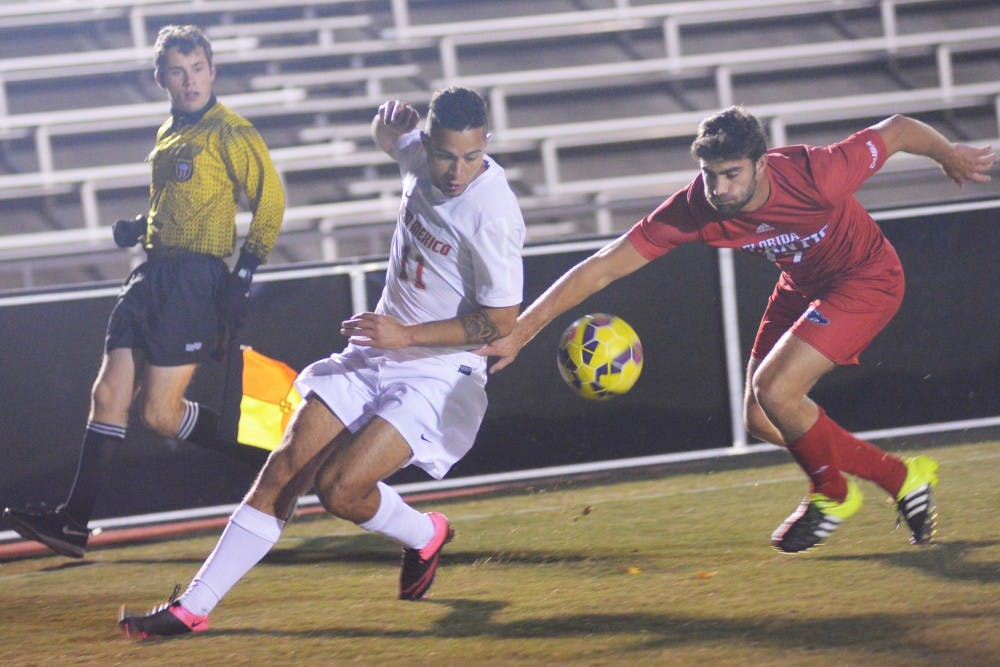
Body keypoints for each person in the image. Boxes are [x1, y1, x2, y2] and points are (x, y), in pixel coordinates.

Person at [480, 107, 995, 554]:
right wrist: (523, 329)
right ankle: (901, 477)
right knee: (762, 417)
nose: (719, 188)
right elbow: (605, 265)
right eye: (709, 174)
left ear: (761, 164)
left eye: (730, 173)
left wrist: (948, 154)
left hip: (866, 278)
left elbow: (900, 129)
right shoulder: (695, 208)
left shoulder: (818, 174)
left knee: (777, 390)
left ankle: (832, 494)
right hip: (802, 281)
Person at [118, 86, 526, 639]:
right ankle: (192, 608)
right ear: (428, 143)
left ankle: (426, 533)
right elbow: (391, 138)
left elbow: (501, 321)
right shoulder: (417, 156)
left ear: (487, 146)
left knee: (339, 490)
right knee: (283, 467)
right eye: (446, 156)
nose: (457, 172)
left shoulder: (493, 212)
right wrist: (387, 122)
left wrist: (406, 336)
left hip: (438, 371)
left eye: (472, 157)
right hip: (376, 349)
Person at [2, 25, 286, 559]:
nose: (191, 80)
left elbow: (269, 202)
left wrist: (245, 271)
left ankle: (279, 459)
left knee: (160, 414)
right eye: (178, 72)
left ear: (212, 71)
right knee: (107, 395)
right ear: (162, 80)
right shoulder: (169, 132)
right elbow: (182, 201)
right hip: (150, 275)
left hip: (193, 282)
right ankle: (73, 523)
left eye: (198, 68)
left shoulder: (231, 131)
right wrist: (141, 225)